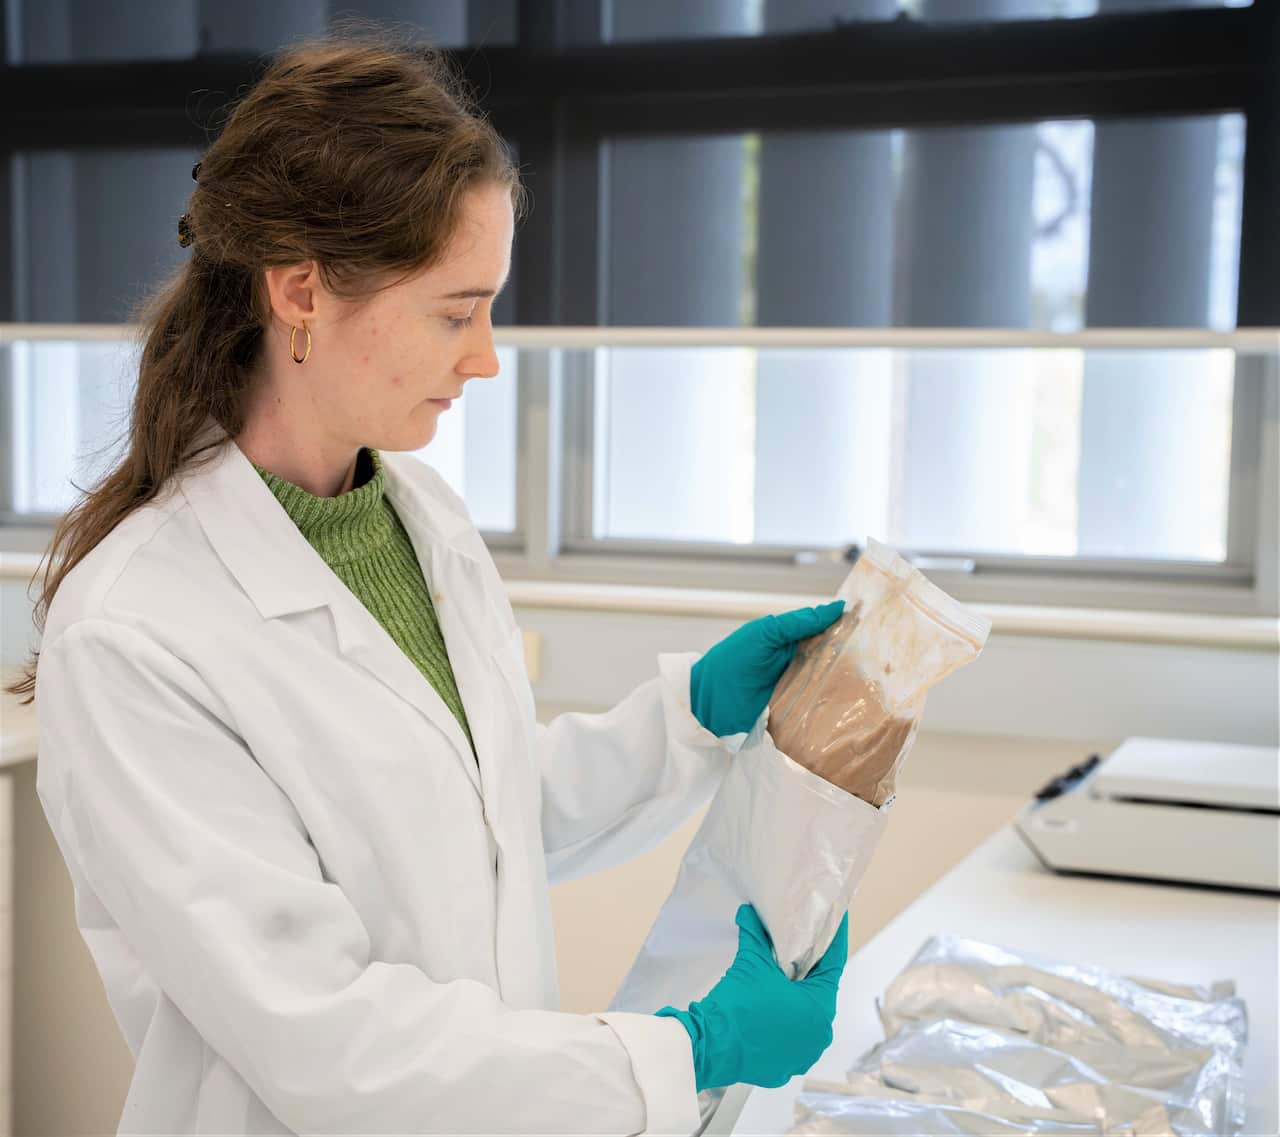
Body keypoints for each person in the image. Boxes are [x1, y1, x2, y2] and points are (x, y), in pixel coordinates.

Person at [7, 24, 848, 1136]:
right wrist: (680, 1057)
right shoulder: (136, 634)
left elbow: (472, 817)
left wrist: (685, 722)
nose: (485, 356)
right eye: (454, 311)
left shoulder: (420, 519)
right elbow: (328, 1042)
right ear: (300, 292)